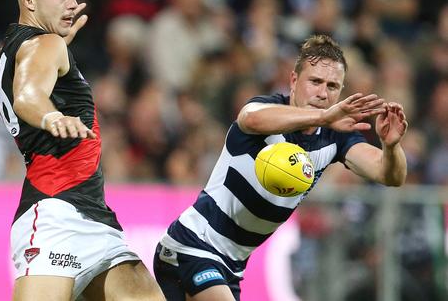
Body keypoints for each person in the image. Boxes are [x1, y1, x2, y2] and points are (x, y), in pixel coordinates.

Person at [153, 34, 408, 301]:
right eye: (315, 81)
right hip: (193, 244)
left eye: (333, 86)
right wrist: (324, 116)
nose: (322, 93)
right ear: (294, 81)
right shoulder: (268, 110)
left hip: (231, 267)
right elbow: (248, 118)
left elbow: (389, 175)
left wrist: (391, 146)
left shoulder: (335, 138)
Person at [0, 0, 164, 301]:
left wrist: (62, 46)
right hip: (56, 213)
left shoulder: (15, 51)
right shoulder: (45, 45)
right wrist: (51, 115)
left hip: (94, 217)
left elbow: (30, 74)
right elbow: (27, 96)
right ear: (29, 0)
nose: (72, 3)